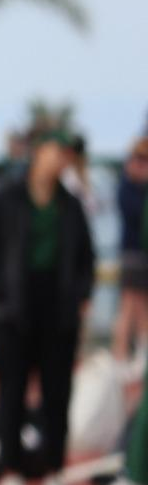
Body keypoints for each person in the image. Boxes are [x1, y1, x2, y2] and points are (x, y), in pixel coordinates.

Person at [0, 134, 95, 485]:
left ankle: (55, 471)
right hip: (12, 313)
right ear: (38, 154)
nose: (60, 159)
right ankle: (11, 471)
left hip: (58, 312)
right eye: (54, 151)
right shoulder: (6, 199)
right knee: (12, 393)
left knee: (57, 394)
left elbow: (86, 257)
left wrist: (80, 295)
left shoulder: (70, 204)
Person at [114, 137, 148, 365]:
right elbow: (135, 214)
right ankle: (121, 355)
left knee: (141, 306)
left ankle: (139, 355)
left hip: (138, 253)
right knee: (129, 305)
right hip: (133, 253)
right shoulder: (127, 186)